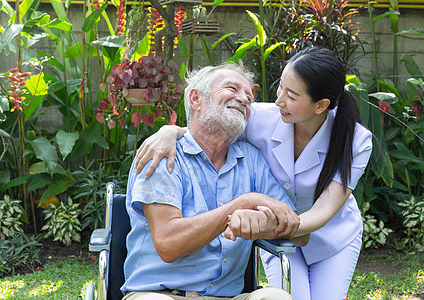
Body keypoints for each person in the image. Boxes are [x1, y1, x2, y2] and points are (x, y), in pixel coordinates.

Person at [134, 47, 373, 300]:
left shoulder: (355, 140)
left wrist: (265, 218)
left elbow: (322, 213)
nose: (278, 100)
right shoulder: (260, 118)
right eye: (280, 87)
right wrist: (170, 131)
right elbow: (208, 124)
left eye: (291, 95)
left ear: (321, 105)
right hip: (276, 225)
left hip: (326, 231)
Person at [122, 62, 307, 300]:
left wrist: (259, 219)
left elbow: (299, 232)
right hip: (161, 294)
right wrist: (245, 203)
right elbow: (168, 244)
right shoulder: (162, 154)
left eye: (249, 98)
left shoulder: (251, 159)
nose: (243, 99)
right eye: (232, 88)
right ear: (196, 99)